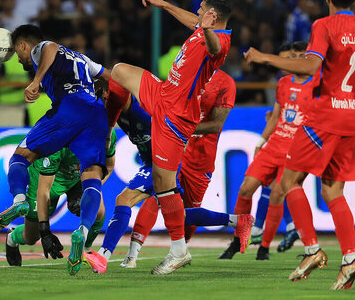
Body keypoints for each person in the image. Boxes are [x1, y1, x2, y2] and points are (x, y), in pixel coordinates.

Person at [244, 0, 355, 290]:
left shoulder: (324, 25)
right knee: (333, 191)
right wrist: (346, 86)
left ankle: (312, 250)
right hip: (352, 117)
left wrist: (266, 57)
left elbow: (310, 66)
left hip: (324, 117)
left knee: (288, 181)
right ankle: (350, 259)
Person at [102, 0, 232, 274]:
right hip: (162, 93)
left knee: (163, 186)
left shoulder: (220, 40)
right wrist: (164, 4)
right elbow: (194, 24)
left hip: (176, 118)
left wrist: (207, 30)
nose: (197, 14)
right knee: (120, 71)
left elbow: (213, 48)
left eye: (201, 10)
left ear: (213, 16)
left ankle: (178, 250)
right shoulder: (202, 28)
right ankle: (107, 129)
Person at [84, 73, 253, 273]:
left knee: (125, 200)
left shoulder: (137, 108)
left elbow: (127, 91)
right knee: (177, 214)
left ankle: (105, 256)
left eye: (107, 96)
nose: (106, 101)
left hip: (165, 160)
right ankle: (238, 220)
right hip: (159, 160)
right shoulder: (112, 115)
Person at [0, 24, 110, 276]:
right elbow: (108, 75)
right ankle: (83, 233)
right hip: (96, 112)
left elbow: (50, 47)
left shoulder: (41, 48)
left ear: (24, 45)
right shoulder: (81, 58)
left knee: (19, 158)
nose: (19, 59)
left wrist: (35, 81)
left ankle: (19, 200)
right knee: (93, 177)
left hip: (69, 109)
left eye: (17, 52)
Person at [220, 43, 313, 261]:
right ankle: (238, 239)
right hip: (274, 145)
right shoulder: (283, 83)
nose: (297, 59)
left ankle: (264, 247)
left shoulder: (316, 85)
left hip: (295, 150)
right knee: (245, 189)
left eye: (302, 56)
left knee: (276, 195)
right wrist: (262, 140)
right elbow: (277, 116)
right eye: (294, 56)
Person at [4, 132, 117, 266]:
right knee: (31, 237)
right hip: (45, 180)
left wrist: (87, 191)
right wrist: (45, 231)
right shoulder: (57, 142)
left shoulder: (107, 132)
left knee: (98, 210)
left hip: (79, 177)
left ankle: (84, 249)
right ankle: (12, 238)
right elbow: (44, 190)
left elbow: (108, 167)